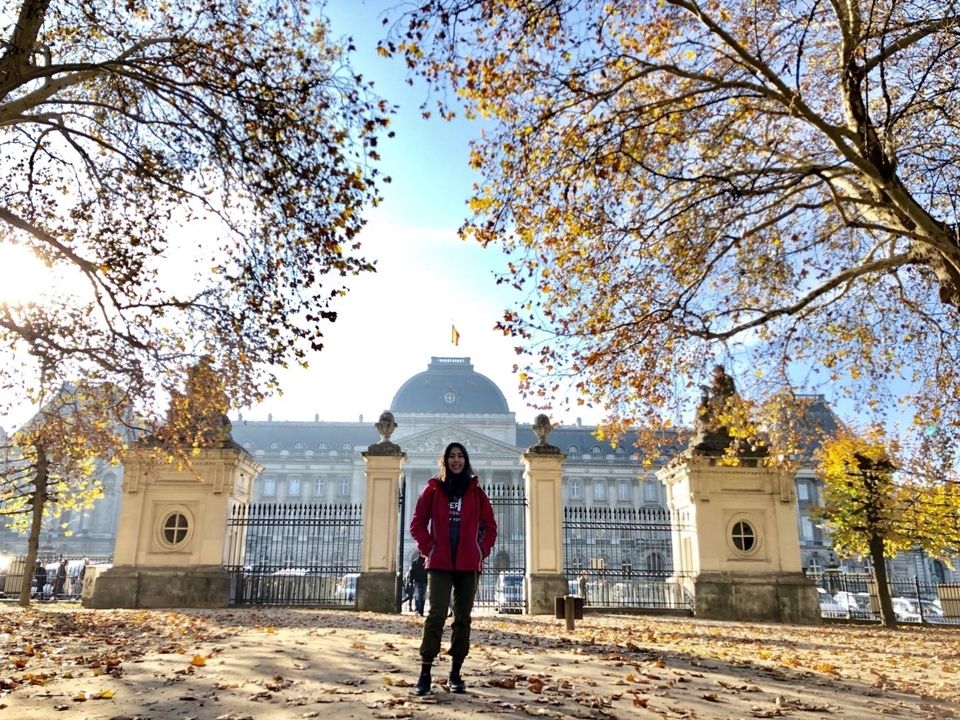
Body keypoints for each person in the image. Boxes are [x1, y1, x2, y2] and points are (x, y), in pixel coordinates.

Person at [410, 442, 497, 696]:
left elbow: (490, 526)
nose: (456, 460)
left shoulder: (476, 493)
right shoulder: (433, 490)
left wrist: (481, 550)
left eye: (460, 456)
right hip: (440, 562)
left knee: (462, 618)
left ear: (466, 460)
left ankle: (455, 673)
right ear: (445, 461)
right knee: (435, 614)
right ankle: (425, 672)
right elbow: (417, 523)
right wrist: (430, 547)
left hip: (468, 562)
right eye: (452, 456)